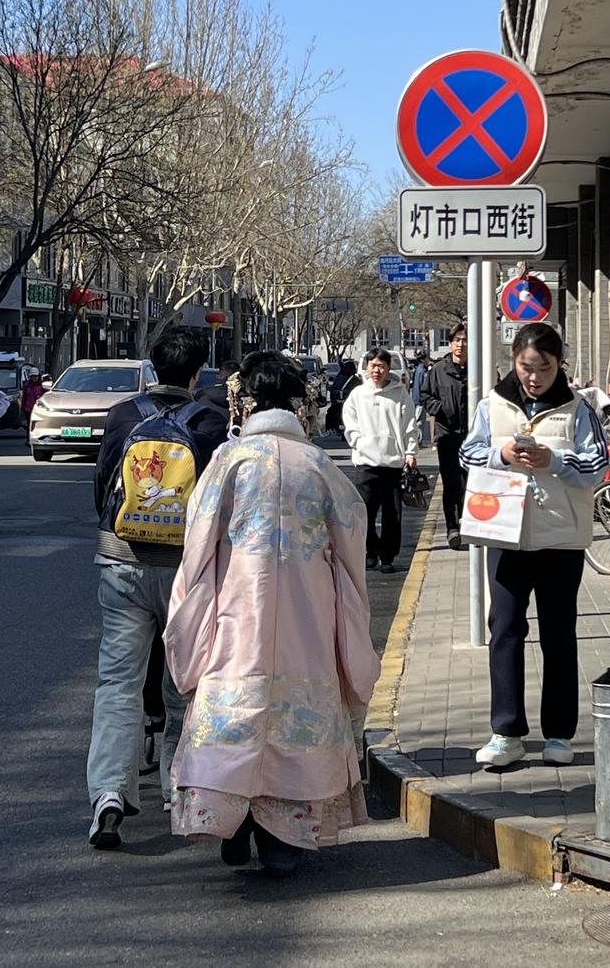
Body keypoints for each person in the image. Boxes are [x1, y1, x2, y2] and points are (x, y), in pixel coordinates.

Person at [165, 351, 380, 878]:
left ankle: (232, 820)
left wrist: (190, 610)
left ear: (246, 403)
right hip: (309, 617)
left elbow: (198, 544)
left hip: (238, 612)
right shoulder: (319, 466)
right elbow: (352, 546)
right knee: (301, 710)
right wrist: (349, 614)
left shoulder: (230, 462)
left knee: (232, 705)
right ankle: (286, 834)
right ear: (297, 405)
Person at [86, 327, 230, 850]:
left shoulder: (124, 415)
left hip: (122, 563)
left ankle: (108, 795)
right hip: (186, 573)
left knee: (117, 684)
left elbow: (103, 485)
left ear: (152, 367)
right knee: (185, 684)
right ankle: (177, 787)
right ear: (196, 373)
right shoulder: (211, 422)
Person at [459, 323, 610, 770]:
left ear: (560, 364)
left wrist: (555, 460)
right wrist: (501, 455)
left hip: (560, 538)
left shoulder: (578, 408)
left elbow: (598, 463)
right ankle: (506, 732)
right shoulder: (491, 405)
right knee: (504, 630)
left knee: (558, 633)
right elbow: (467, 454)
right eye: (527, 367)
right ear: (514, 362)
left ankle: (559, 734)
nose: (534, 376)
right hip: (505, 535)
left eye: (544, 367)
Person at [342, 348, 419, 573]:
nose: (377, 370)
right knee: (363, 512)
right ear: (367, 367)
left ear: (388, 368)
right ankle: (369, 551)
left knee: (392, 515)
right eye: (373, 366)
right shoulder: (358, 395)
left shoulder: (400, 394)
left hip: (393, 464)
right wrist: (358, 442)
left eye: (381, 366)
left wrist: (410, 452)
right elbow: (350, 423)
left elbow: (409, 426)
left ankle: (387, 557)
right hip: (365, 463)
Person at [423, 323, 470, 550]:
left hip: (472, 437)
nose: (461, 344)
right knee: (451, 482)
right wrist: (442, 410)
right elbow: (426, 396)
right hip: (447, 435)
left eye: (465, 340)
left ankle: (468, 522)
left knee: (470, 482)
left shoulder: (479, 367)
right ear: (450, 344)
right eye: (457, 340)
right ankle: (452, 526)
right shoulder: (438, 370)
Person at [410, 347, 432, 448]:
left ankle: (419, 441)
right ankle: (417, 441)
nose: (428, 360)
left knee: (419, 420)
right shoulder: (422, 371)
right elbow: (423, 386)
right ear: (423, 359)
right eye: (427, 358)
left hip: (417, 398)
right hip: (420, 400)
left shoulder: (418, 369)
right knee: (419, 421)